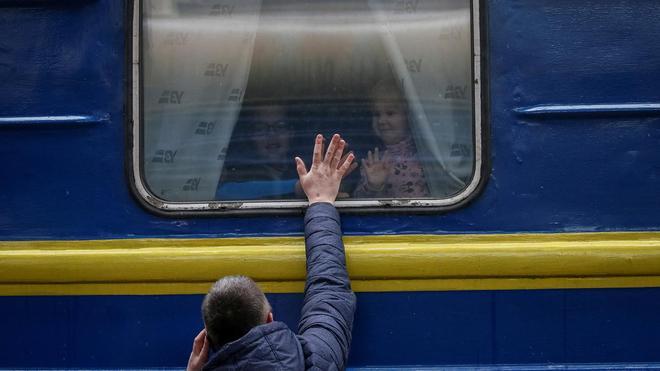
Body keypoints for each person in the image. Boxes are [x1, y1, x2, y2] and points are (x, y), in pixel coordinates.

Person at [188, 134, 357, 371]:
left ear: (205, 342)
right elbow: (329, 293)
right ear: (270, 321)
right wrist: (321, 201)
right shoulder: (314, 363)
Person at [353, 80, 430, 198]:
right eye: (377, 114)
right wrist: (373, 186)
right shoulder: (373, 161)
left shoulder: (425, 155)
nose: (381, 121)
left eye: (390, 113)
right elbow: (359, 201)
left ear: (408, 116)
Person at [216, 104, 300, 200]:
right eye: (261, 128)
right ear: (251, 135)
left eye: (280, 127)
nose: (271, 134)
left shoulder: (305, 169)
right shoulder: (239, 174)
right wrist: (296, 187)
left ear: (291, 133)